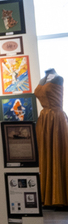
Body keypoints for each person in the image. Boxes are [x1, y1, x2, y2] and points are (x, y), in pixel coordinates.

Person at [35, 69, 68, 206]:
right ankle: (46, 196)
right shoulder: (43, 79)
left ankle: (60, 197)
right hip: (44, 120)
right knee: (45, 155)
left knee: (58, 154)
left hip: (56, 119)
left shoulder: (58, 78)